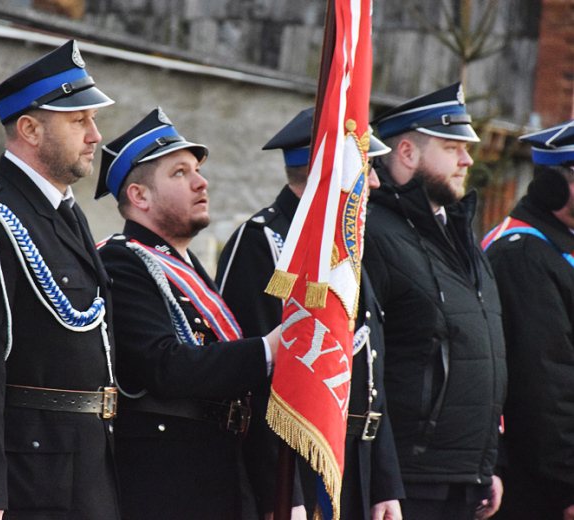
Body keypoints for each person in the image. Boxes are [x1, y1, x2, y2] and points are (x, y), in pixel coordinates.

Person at [0, 41, 119, 520]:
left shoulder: (63, 213)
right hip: (29, 481)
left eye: (92, 120)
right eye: (79, 121)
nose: (95, 135)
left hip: (87, 465)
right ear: (30, 129)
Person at [216, 107, 404, 520]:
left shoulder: (345, 246)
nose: (374, 182)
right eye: (365, 169)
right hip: (296, 467)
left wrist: (384, 482)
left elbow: (371, 369)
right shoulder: (262, 242)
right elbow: (252, 381)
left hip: (354, 462)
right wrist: (281, 494)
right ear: (328, 175)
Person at [95, 107, 281, 520]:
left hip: (222, 472)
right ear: (139, 196)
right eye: (179, 173)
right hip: (168, 484)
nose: (201, 181)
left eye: (197, 169)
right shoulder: (121, 262)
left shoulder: (190, 269)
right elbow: (165, 365)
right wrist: (269, 349)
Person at [366, 83, 506, 520]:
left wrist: (488, 465)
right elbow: (367, 367)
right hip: (408, 482)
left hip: (465, 481)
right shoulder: (373, 233)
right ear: (407, 152)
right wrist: (380, 478)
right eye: (452, 148)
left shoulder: (460, 231)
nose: (467, 160)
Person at [482, 122, 574, 520]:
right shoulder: (523, 255)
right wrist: (567, 487)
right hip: (539, 491)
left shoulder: (555, 246)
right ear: (555, 185)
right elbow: (544, 386)